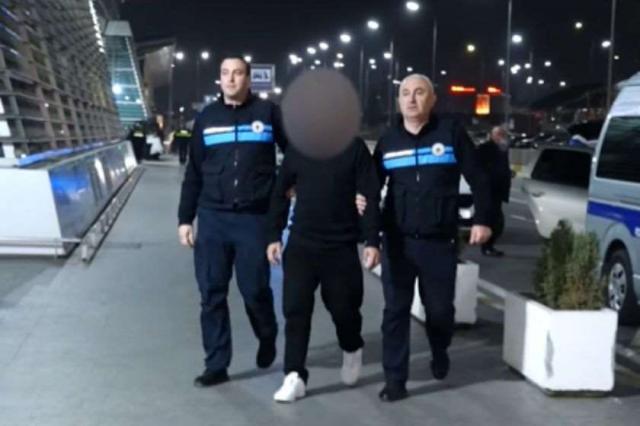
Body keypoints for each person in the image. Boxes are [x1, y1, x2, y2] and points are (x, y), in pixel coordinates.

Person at [372, 74, 492, 402]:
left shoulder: (450, 134)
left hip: (439, 242)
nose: (411, 99)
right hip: (397, 241)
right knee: (395, 312)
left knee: (438, 311)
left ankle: (440, 349)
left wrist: (482, 219)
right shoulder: (388, 141)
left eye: (419, 92)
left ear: (432, 99)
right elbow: (370, 188)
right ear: (398, 101)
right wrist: (368, 232)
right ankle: (395, 380)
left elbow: (479, 178)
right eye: (405, 93)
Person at [177, 55, 287, 387]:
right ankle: (216, 364)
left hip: (254, 218)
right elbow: (194, 172)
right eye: (225, 73)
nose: (231, 79)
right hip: (213, 217)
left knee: (254, 289)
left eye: (237, 73)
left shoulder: (268, 113)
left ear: (248, 79)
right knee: (211, 292)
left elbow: (294, 154)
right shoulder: (207, 118)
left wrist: (288, 186)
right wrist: (185, 218)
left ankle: (267, 332)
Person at [266, 137, 381, 403]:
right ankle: (294, 375)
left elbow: (370, 194)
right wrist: (273, 235)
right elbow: (280, 192)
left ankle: (352, 347)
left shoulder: (354, 148)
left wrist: (372, 240)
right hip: (302, 243)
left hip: (340, 245)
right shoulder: (299, 148)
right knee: (295, 309)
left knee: (343, 308)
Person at [477, 126, 512, 257]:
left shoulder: (502, 149)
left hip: (498, 190)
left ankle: (489, 246)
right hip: (489, 189)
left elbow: (503, 168)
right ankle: (486, 246)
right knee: (490, 220)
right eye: (499, 134)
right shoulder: (485, 148)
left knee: (496, 220)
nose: (502, 137)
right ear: (492, 135)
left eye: (503, 134)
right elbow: (478, 168)